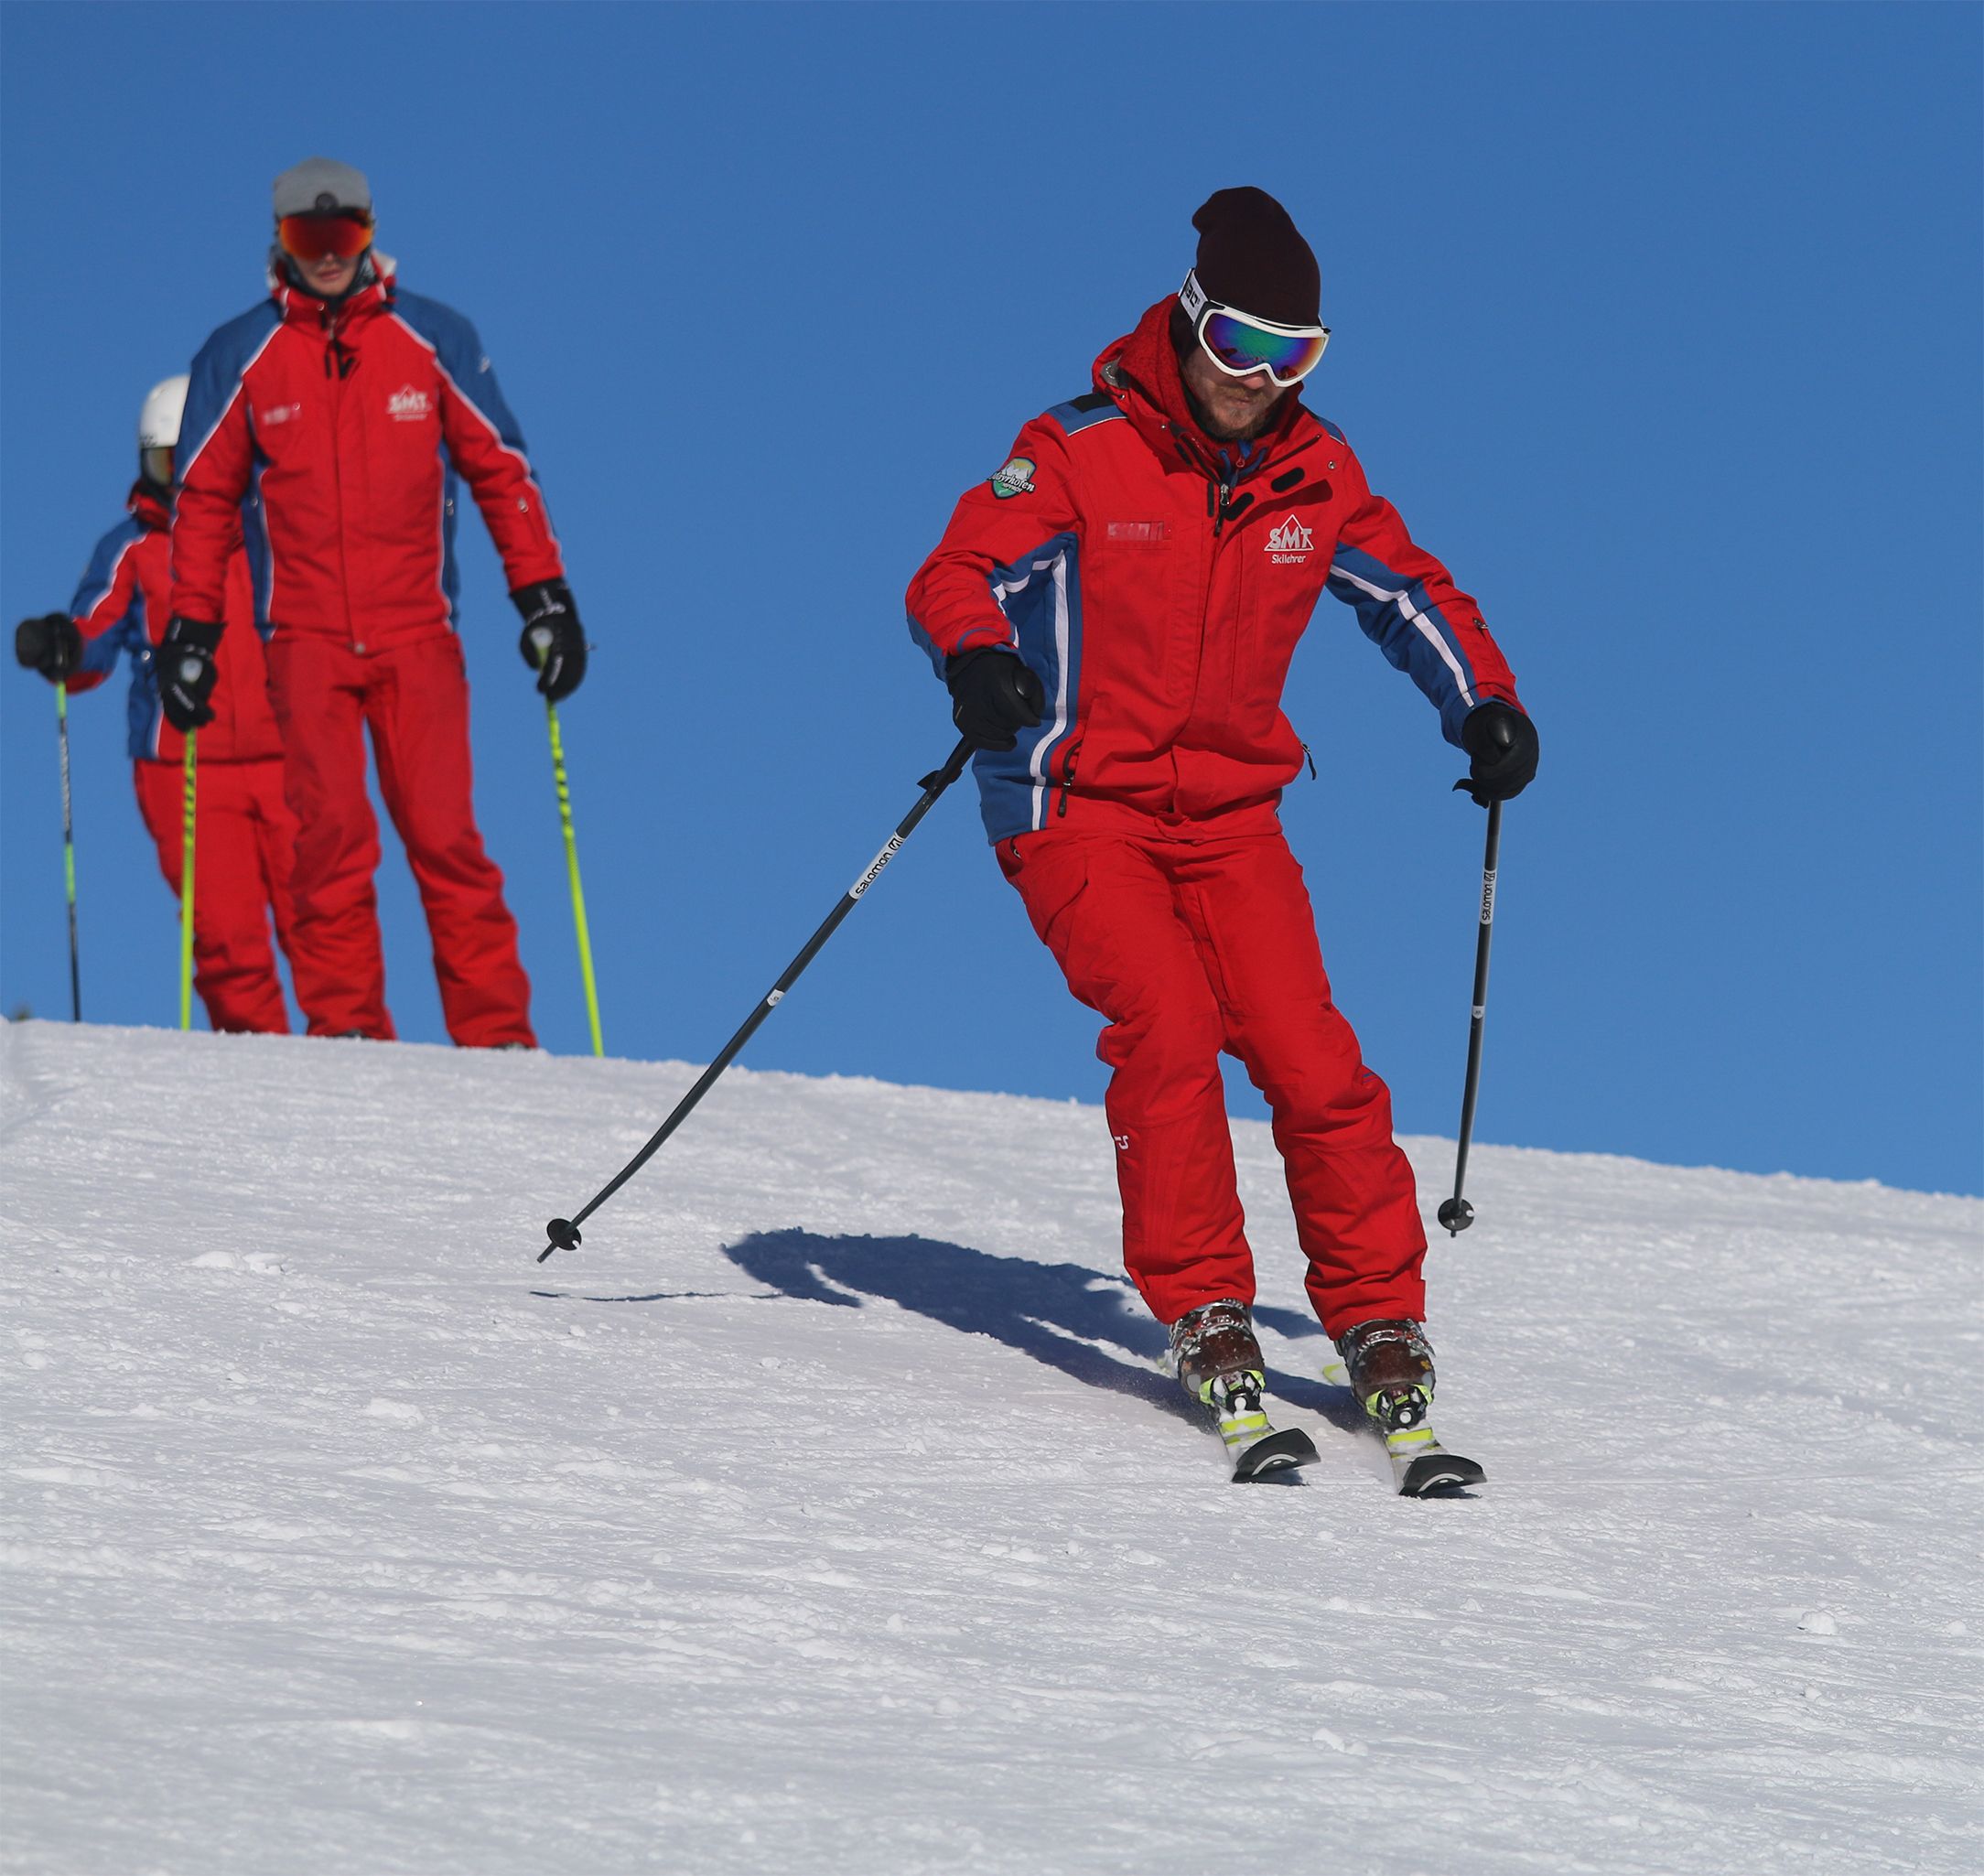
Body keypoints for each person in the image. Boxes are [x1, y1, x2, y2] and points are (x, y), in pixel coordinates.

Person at [905, 187, 1538, 1453]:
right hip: (1077, 805)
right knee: (1171, 1027)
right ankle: (1203, 1304)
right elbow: (955, 570)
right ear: (1191, 321)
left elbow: (1410, 593)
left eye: (1292, 355)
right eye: (1240, 343)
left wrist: (1484, 704)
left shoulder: (1317, 469)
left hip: (1234, 817)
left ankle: (1376, 1314)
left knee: (1311, 1054)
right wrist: (979, 660)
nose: (1258, 378)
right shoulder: (1080, 448)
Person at [160, 156, 587, 1047]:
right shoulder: (240, 355)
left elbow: (499, 469)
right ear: (279, 243)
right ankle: (348, 1030)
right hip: (304, 640)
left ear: (370, 230)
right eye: (306, 238)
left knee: (445, 839)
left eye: (342, 234)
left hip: (416, 633)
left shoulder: (431, 338)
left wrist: (542, 595)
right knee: (329, 842)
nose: (326, 255)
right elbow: (201, 499)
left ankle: (496, 1035)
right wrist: (192, 628)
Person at [14, 375, 302, 1033]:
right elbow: (96, 633)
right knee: (227, 935)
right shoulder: (136, 548)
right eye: (170, 463)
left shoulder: (270, 529)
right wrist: (64, 644)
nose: (188, 480)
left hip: (289, 754)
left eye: (203, 458)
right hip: (184, 764)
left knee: (320, 915)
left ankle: (355, 1056)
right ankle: (268, 1071)